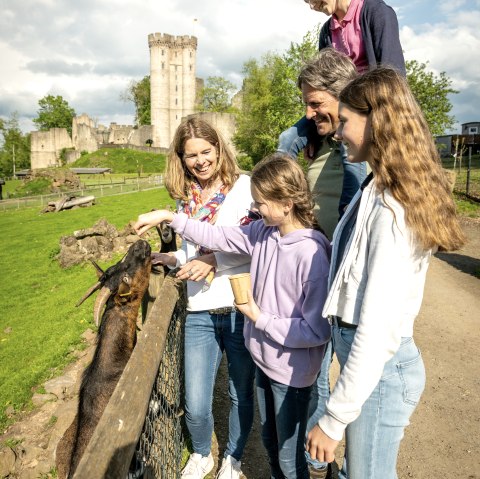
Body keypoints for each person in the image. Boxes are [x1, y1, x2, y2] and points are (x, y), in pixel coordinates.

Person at [306, 68, 466, 479]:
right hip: (372, 372)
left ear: (377, 120)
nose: (337, 133)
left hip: (382, 373)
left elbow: (377, 328)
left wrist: (334, 418)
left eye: (345, 122)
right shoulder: (374, 187)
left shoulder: (393, 210)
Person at [134, 153, 332, 479]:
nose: (255, 209)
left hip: (292, 374)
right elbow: (217, 237)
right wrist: (169, 216)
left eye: (261, 202)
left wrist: (259, 318)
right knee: (270, 442)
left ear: (287, 203)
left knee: (287, 456)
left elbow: (316, 330)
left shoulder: (311, 253)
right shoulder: (263, 233)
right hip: (266, 363)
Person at [147, 117, 256, 479]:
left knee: (240, 392)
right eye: (191, 155)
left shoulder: (246, 188)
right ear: (181, 158)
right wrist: (172, 258)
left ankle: (234, 458)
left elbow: (258, 245)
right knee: (195, 401)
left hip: (241, 306)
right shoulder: (187, 201)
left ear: (219, 149)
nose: (200, 161)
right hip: (199, 311)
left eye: (206, 151)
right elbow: (192, 250)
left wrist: (213, 260)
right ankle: (200, 454)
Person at [278, 0, 405, 160]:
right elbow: (321, 82)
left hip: (365, 105)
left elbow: (394, 75)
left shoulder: (376, 13)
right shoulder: (326, 31)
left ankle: (357, 184)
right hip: (334, 105)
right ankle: (280, 182)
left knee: (350, 138)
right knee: (287, 139)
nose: (312, 6)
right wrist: (314, 136)